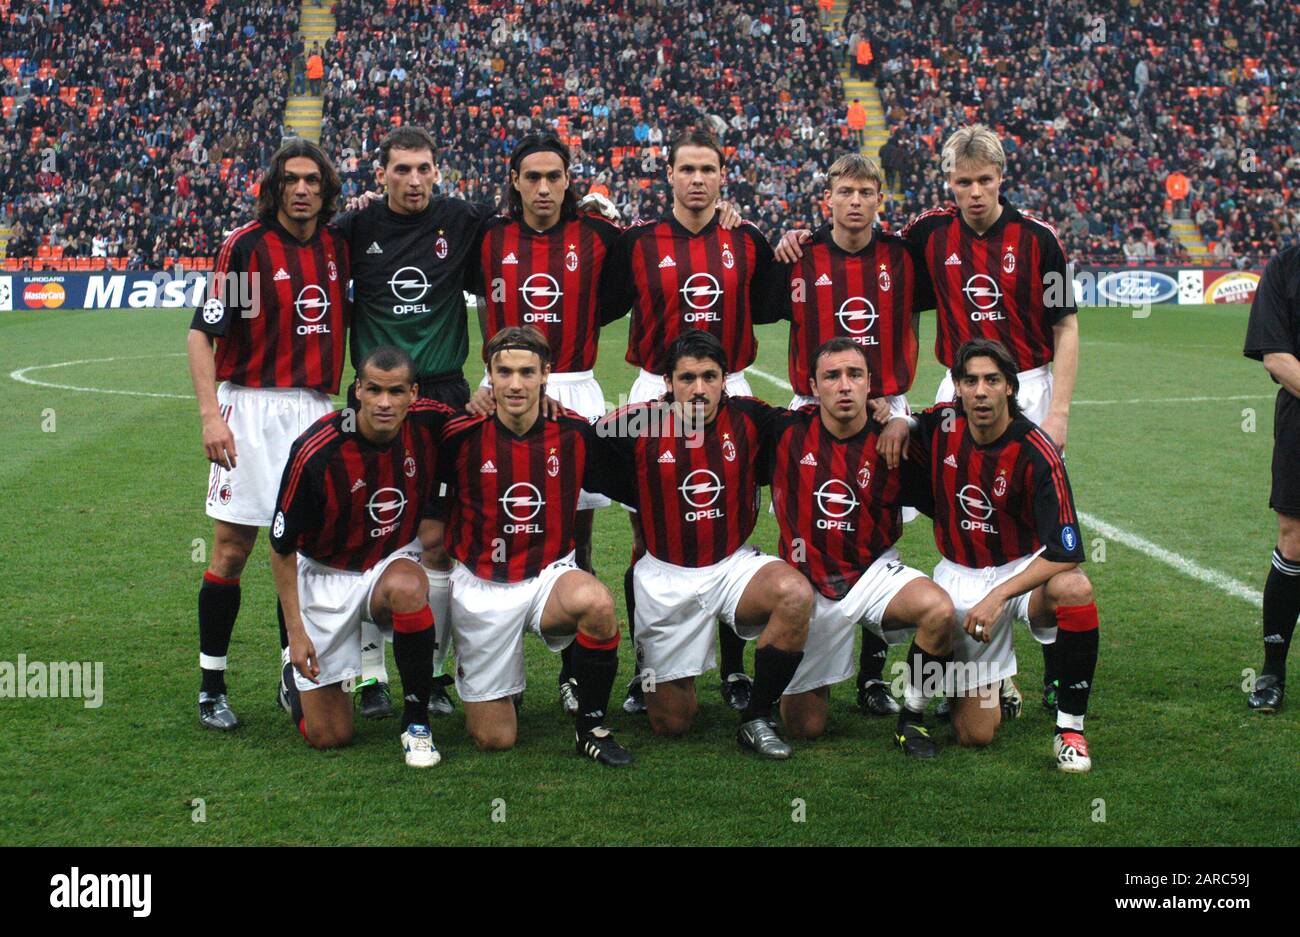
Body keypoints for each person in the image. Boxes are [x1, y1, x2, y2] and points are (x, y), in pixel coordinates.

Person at [777, 124, 1080, 713]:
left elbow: (1067, 325)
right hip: (955, 382)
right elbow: (857, 239)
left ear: (1001, 179)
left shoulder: (1043, 240)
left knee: (1032, 524)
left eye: (984, 181)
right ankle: (965, 664)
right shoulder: (928, 234)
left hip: (1032, 384)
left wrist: (1060, 410)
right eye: (963, 182)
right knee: (948, 509)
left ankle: (1039, 669)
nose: (974, 193)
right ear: (948, 184)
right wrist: (799, 237)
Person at [602, 126, 780, 714]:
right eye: (687, 170)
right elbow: (601, 297)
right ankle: (647, 667)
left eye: (708, 170)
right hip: (657, 387)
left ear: (722, 175)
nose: (698, 179)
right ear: (670, 175)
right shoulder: (639, 241)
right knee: (647, 536)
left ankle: (732, 671)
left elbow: (779, 299)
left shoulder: (746, 239)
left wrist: (795, 239)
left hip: (726, 389)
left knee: (730, 528)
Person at [331, 126, 498, 719]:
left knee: (439, 537)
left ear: (437, 171)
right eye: (400, 169)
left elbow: (532, 217)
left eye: (423, 168)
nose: (413, 180)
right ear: (380, 175)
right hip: (379, 397)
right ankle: (371, 673)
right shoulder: (355, 228)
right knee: (373, 531)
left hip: (446, 394)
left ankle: (429, 673)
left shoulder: (462, 219)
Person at [186, 138, 348, 731]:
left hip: (313, 410)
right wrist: (210, 415)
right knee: (232, 548)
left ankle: (292, 667)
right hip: (249, 408)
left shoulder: (336, 245)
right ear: (274, 187)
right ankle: (212, 684)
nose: (301, 189)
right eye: (290, 180)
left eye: (312, 180)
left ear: (326, 190)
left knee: (304, 549)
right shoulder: (246, 247)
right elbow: (201, 334)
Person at [595, 330, 813, 759]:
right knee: (671, 724)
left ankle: (757, 716)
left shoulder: (752, 418)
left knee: (795, 594)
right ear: (668, 383)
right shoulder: (636, 423)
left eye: (709, 377)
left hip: (733, 566)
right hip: (665, 577)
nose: (699, 389)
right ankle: (658, 671)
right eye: (687, 377)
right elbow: (575, 443)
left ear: (725, 380)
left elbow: (818, 426)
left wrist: (894, 417)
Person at [465, 134, 625, 718]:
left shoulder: (599, 237)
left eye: (554, 177)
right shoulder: (487, 236)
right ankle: (475, 646)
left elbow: (624, 288)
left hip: (574, 385)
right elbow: (475, 291)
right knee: (489, 516)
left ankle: (574, 673)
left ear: (568, 180)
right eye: (531, 177)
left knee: (575, 540)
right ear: (514, 180)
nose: (543, 188)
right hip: (505, 385)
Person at [768, 153, 933, 716]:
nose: (856, 200)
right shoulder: (800, 254)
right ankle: (786, 654)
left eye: (867, 191)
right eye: (846, 191)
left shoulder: (905, 258)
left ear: (880, 200)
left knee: (881, 537)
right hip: (810, 406)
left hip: (887, 412)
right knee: (800, 532)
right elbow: (758, 298)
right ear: (828, 199)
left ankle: (871, 678)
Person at [897, 339, 1099, 772]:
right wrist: (901, 424)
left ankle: (1071, 730)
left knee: (1075, 588)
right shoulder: (943, 425)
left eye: (992, 380)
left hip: (1024, 573)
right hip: (959, 574)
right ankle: (979, 682)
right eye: (971, 381)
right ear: (957, 387)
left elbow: (1067, 552)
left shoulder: (1036, 450)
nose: (981, 391)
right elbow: (911, 424)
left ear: (1010, 387)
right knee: (974, 735)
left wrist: (999, 596)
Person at [437, 327, 631, 765]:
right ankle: (503, 686)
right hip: (482, 586)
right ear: (488, 375)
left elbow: (634, 475)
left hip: (548, 577)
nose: (515, 384)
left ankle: (592, 725)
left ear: (546, 373)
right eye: (504, 372)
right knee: (496, 739)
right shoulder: (458, 435)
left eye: (527, 372)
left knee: (596, 604)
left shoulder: (576, 433)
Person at [766, 339, 955, 756]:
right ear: (813, 386)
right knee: (804, 727)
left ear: (871, 384)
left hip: (873, 574)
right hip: (808, 583)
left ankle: (913, 718)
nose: (845, 385)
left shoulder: (895, 442)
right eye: (832, 376)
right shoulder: (783, 431)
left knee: (939, 610)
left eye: (855, 375)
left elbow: (958, 429)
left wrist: (909, 422)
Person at [272, 346, 458, 767]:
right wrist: (296, 633)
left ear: (414, 393)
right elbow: (281, 548)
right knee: (330, 737)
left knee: (411, 587)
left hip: (389, 561)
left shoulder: (431, 422)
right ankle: (292, 676)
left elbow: (488, 423)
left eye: (395, 391)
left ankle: (416, 724)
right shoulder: (315, 451)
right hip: (324, 574)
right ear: (357, 390)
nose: (384, 403)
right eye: (373, 390)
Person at [1242, 247, 1300, 712]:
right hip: (1299, 420)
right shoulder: (1285, 267)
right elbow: (1276, 359)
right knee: (1294, 539)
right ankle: (1272, 672)